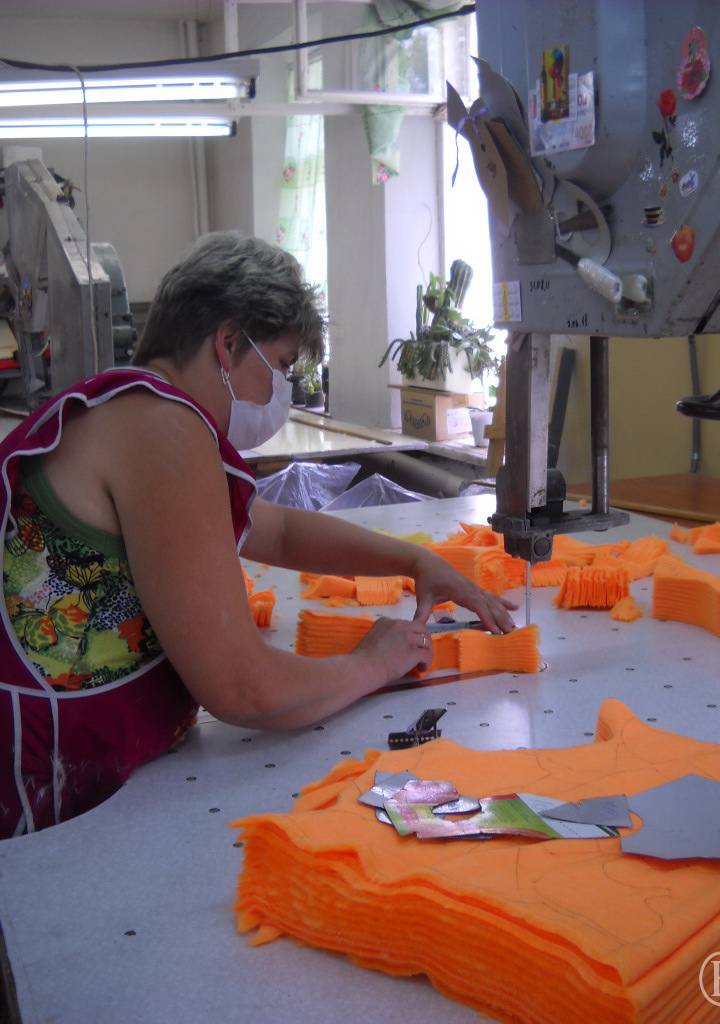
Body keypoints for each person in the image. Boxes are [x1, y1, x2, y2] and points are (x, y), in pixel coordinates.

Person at [0, 232, 515, 839]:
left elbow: (281, 530)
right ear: (227, 343)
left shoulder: (134, 410)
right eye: (283, 365)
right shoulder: (163, 431)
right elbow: (244, 689)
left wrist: (415, 561)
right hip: (37, 781)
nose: (283, 391)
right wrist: (375, 663)